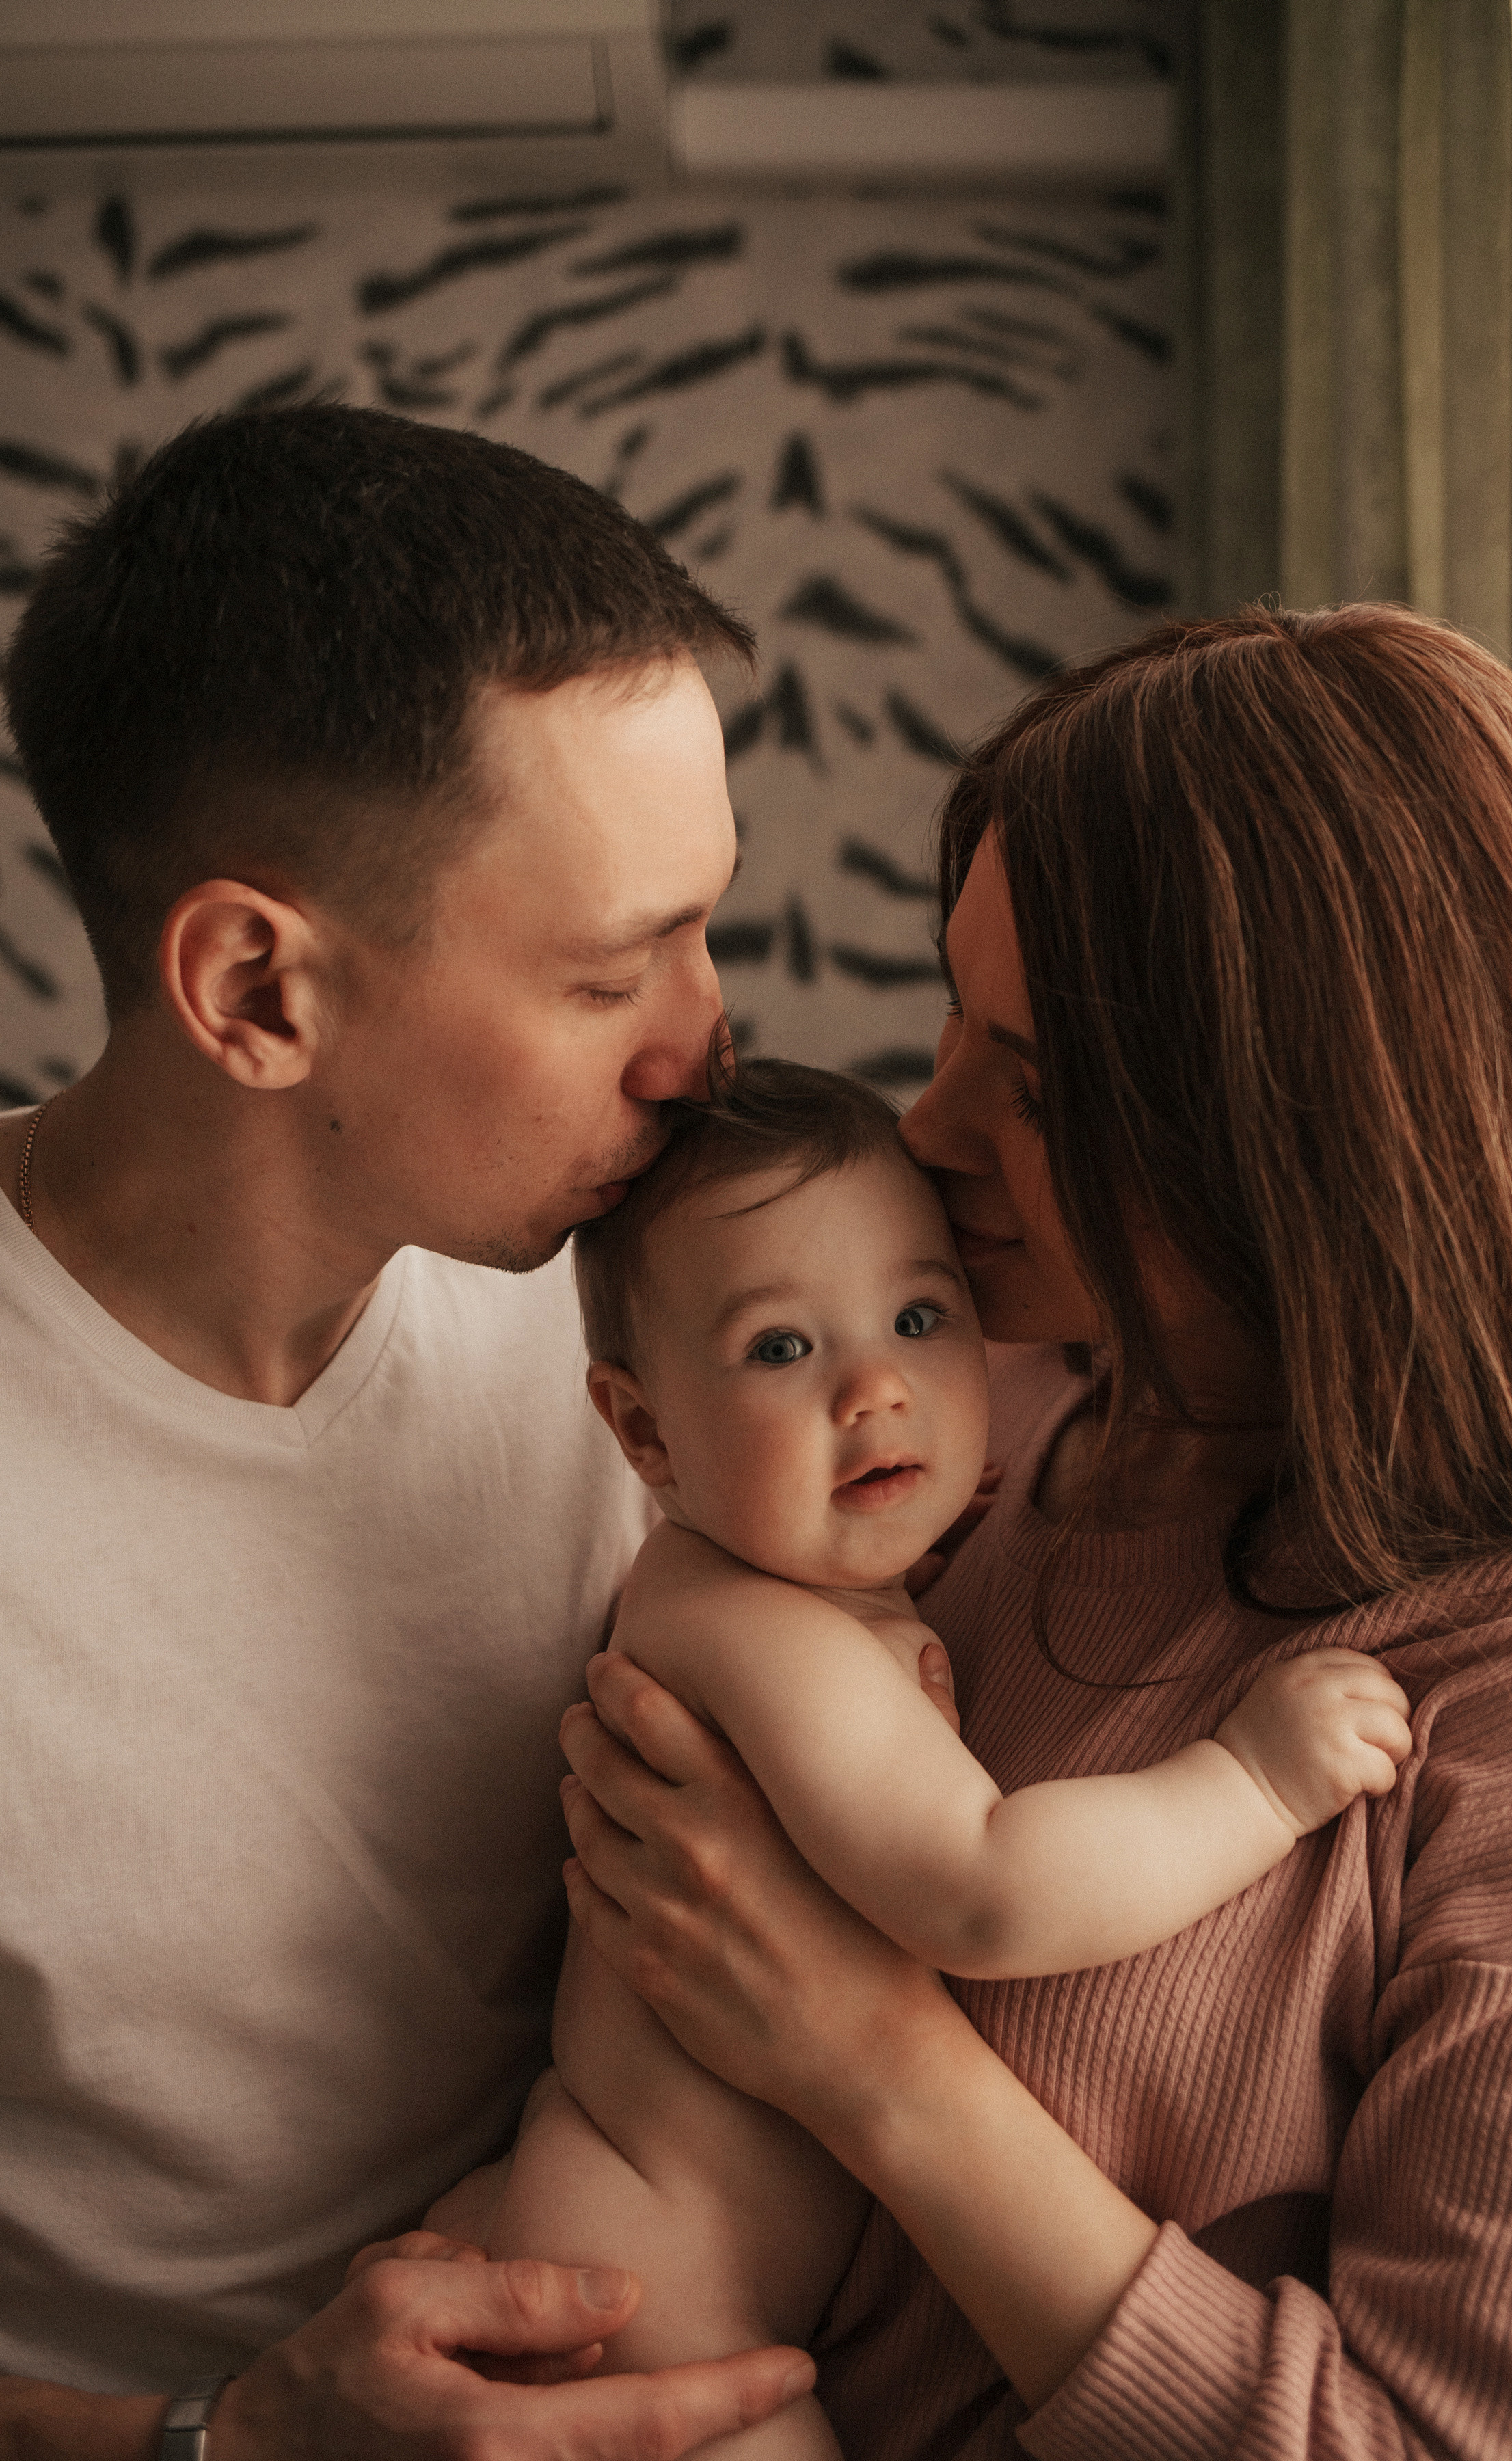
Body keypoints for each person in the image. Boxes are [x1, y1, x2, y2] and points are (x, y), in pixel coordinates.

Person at [551, 606, 1512, 2461]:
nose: (934, 1125)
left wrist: (883, 2071)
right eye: (956, 1018)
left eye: (1041, 1088)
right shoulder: (984, 1435)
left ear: (1307, 1149)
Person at [0, 404, 823, 2457]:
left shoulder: (648, 1300)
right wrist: (227, 2442)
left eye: (705, 926)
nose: (705, 1043)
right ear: (258, 993)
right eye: (611, 969)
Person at [437, 1056, 1409, 2459]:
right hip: (661, 2332)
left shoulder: (812, 1590)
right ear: (644, 1429)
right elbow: (984, 1890)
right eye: (783, 1349)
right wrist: (1253, 1783)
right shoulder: (752, 1628)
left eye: (918, 1315)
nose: (877, 1392)